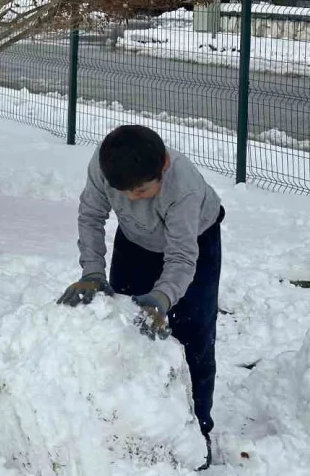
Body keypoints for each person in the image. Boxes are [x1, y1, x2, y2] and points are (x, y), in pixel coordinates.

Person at [58, 124, 224, 469]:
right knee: (125, 328)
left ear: (162, 166)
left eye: (142, 190)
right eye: (125, 192)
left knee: (193, 334)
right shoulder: (106, 166)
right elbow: (91, 216)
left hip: (194, 243)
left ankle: (196, 430)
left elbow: (181, 257)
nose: (132, 198)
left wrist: (162, 298)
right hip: (135, 240)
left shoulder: (183, 188)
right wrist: (92, 273)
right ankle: (130, 420)